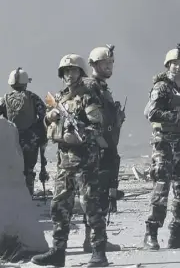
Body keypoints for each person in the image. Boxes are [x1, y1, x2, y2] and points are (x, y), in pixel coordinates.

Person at [31, 54, 109, 267]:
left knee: (91, 205)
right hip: (65, 161)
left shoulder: (88, 96)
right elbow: (47, 122)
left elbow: (97, 128)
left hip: (85, 161)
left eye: (73, 71)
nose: (68, 75)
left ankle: (99, 252)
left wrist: (78, 134)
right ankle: (58, 252)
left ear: (80, 73)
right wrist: (51, 117)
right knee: (59, 206)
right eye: (65, 71)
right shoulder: (60, 97)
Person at [142, 44, 180, 250]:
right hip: (165, 146)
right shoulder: (162, 87)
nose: (177, 67)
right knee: (161, 190)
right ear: (168, 65)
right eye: (174, 63)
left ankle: (177, 234)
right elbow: (151, 113)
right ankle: (151, 234)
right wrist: (178, 116)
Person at [81, 45, 126, 253]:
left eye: (110, 63)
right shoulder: (90, 87)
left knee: (100, 195)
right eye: (104, 63)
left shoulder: (101, 88)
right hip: (97, 149)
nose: (108, 67)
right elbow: (90, 118)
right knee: (95, 195)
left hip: (106, 148)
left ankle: (95, 239)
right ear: (93, 65)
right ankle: (94, 241)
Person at [0, 67, 48, 196]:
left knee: (11, 170)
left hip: (10, 141)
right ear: (26, 82)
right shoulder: (32, 97)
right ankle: (28, 195)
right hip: (30, 140)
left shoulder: (4, 99)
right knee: (28, 170)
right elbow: (45, 116)